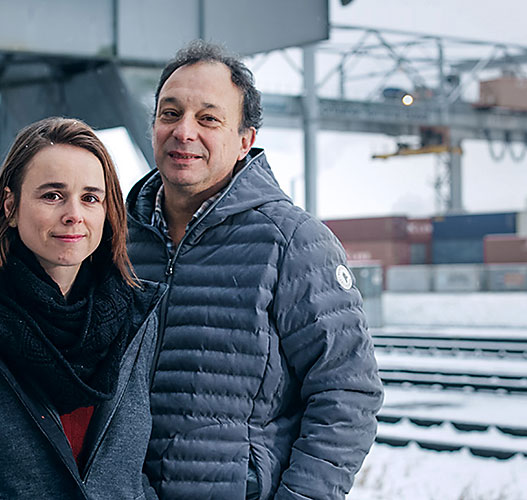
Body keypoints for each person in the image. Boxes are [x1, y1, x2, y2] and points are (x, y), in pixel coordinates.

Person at [126, 40, 384, 500]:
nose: (184, 131)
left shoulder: (293, 242)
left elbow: (347, 393)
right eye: (170, 114)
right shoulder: (116, 238)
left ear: (245, 139)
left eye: (208, 119)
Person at [0, 117, 164, 499]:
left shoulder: (139, 318)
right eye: (53, 195)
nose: (74, 214)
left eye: (90, 198)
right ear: (10, 205)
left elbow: (150, 465)